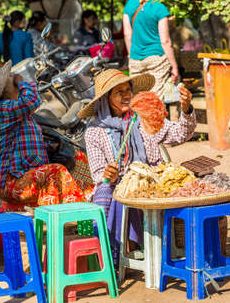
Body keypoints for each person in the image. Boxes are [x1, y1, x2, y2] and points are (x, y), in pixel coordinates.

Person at [79, 69, 196, 263]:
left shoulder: (142, 119)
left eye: (128, 89)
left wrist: (186, 109)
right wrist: (110, 174)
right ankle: (107, 259)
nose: (126, 95)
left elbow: (180, 134)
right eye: (118, 92)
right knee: (105, 193)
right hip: (115, 187)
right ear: (106, 99)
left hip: (149, 183)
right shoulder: (94, 132)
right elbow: (99, 174)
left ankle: (143, 249)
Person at [0, 61, 93, 212]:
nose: (14, 78)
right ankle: (80, 218)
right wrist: (22, 82)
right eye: (11, 78)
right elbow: (31, 101)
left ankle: (93, 201)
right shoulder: (3, 110)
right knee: (56, 171)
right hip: (11, 183)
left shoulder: (15, 112)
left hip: (23, 173)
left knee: (78, 157)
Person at [123, 0, 178, 99]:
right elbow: (165, 41)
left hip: (135, 59)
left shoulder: (130, 4)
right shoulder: (159, 6)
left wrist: (131, 56)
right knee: (154, 100)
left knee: (138, 99)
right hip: (157, 60)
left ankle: (140, 115)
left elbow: (127, 34)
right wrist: (174, 66)